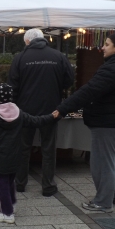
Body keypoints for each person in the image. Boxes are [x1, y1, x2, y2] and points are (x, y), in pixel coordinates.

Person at [54, 33, 115, 213]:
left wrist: (62, 109)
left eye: (107, 44)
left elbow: (88, 91)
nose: (103, 47)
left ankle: (103, 202)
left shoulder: (111, 70)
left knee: (103, 164)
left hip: (108, 124)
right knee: (114, 162)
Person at [9, 28, 74, 197]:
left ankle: (20, 184)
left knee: (23, 148)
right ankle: (48, 186)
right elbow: (69, 80)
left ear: (27, 41)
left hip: (25, 110)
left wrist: (14, 107)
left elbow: (13, 86)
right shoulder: (58, 56)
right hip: (51, 110)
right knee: (48, 149)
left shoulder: (20, 58)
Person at [0, 84, 55, 223]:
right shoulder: (19, 113)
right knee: (10, 182)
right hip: (16, 155)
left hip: (0, 157)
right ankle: (12, 204)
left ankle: (6, 213)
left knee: (1, 185)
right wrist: (51, 116)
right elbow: (36, 121)